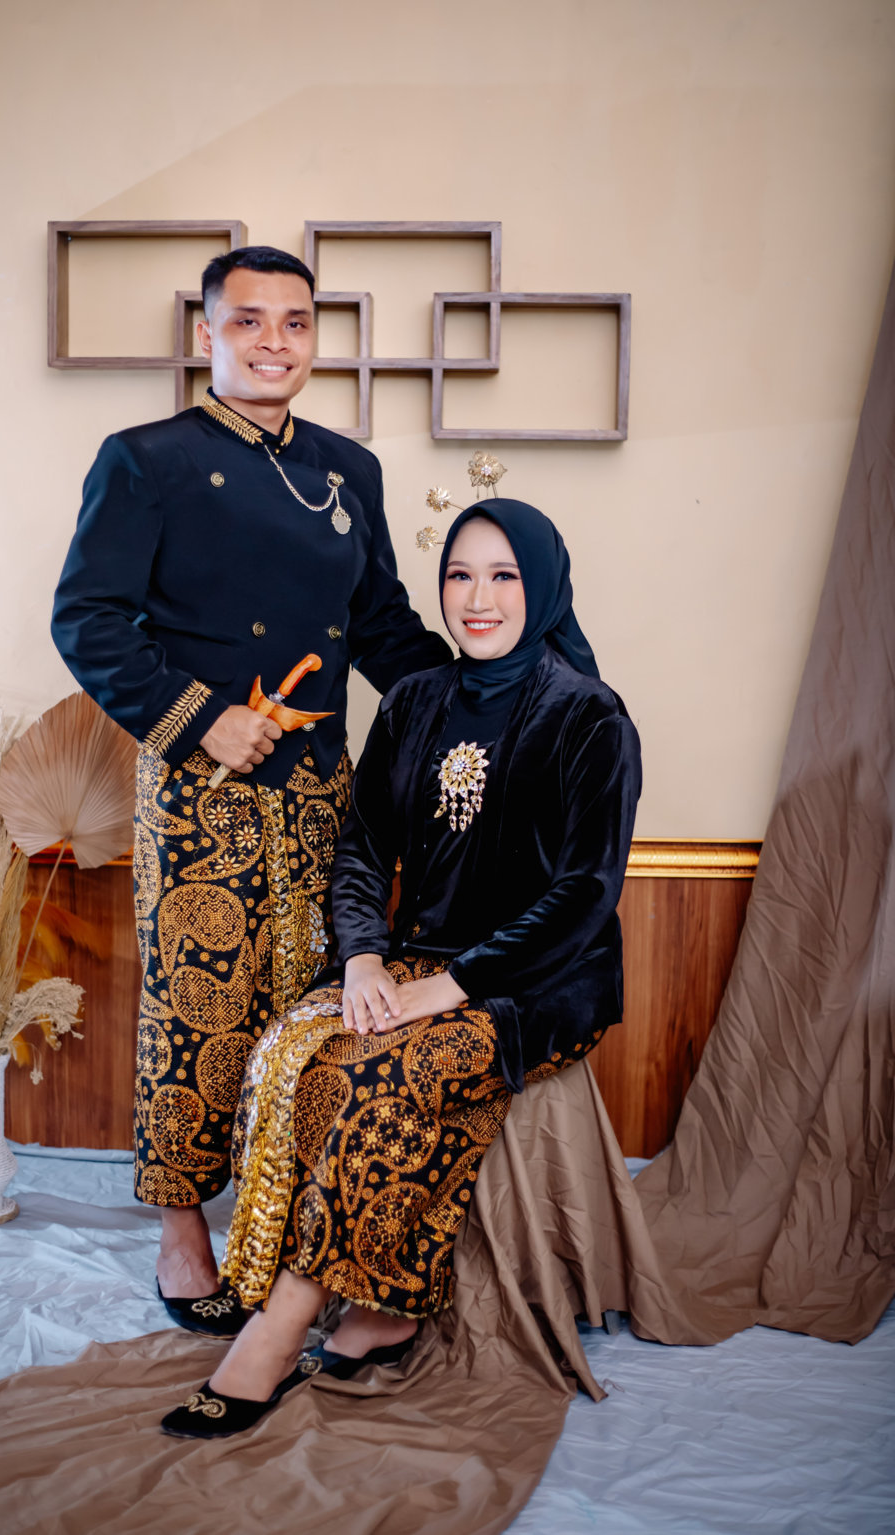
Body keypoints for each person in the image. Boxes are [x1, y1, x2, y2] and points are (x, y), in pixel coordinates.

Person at [160, 498, 642, 1438]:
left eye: (503, 576)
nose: (477, 598)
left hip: (534, 982)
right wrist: (364, 959)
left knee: (383, 1079)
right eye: (460, 574)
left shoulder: (590, 717)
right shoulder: (417, 700)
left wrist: (450, 987)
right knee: (291, 1055)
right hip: (415, 956)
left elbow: (584, 895)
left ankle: (280, 1328)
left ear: (543, 585)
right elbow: (362, 848)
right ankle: (378, 1310)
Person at [50, 246, 450, 1332]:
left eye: (295, 322)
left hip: (323, 787)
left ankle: (291, 1231)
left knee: (313, 1005)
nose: (275, 341)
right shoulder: (146, 459)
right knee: (200, 1007)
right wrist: (200, 717)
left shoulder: (347, 468)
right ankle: (183, 1228)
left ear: (314, 337)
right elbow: (86, 618)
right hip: (200, 788)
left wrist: (480, 694)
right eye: (249, 321)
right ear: (207, 334)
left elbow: (381, 626)